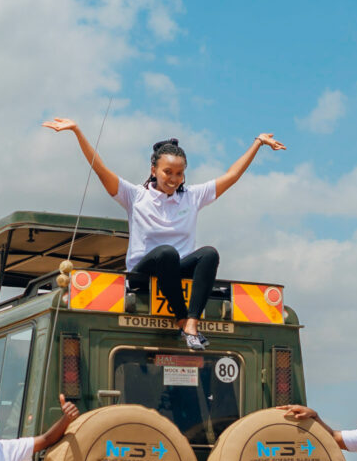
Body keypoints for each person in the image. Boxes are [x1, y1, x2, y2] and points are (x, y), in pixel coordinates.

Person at [43, 118, 285, 350]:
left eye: (179, 174)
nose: (173, 179)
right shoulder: (135, 196)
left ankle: (191, 324)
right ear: (154, 170)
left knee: (209, 254)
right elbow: (100, 168)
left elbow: (231, 176)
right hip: (143, 274)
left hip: (176, 272)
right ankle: (181, 318)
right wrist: (77, 131)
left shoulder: (191, 197)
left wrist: (258, 142)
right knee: (167, 253)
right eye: (168, 172)